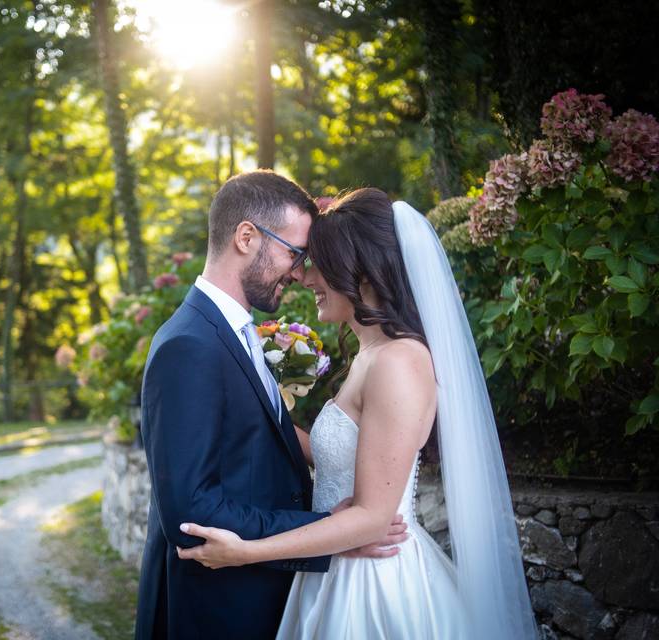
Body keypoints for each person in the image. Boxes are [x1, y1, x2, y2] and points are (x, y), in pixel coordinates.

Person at [177, 188, 538, 639]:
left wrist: (245, 551)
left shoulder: (399, 362)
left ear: (360, 269)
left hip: (371, 585)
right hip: (333, 571)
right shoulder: (371, 353)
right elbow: (338, 450)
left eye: (316, 263)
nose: (304, 279)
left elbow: (370, 517)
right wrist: (247, 405)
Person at [134, 174, 408, 639]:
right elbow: (192, 512)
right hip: (217, 610)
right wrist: (325, 532)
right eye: (293, 253)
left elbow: (263, 444)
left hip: (263, 597)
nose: (300, 272)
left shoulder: (236, 333)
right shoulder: (190, 345)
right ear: (246, 237)